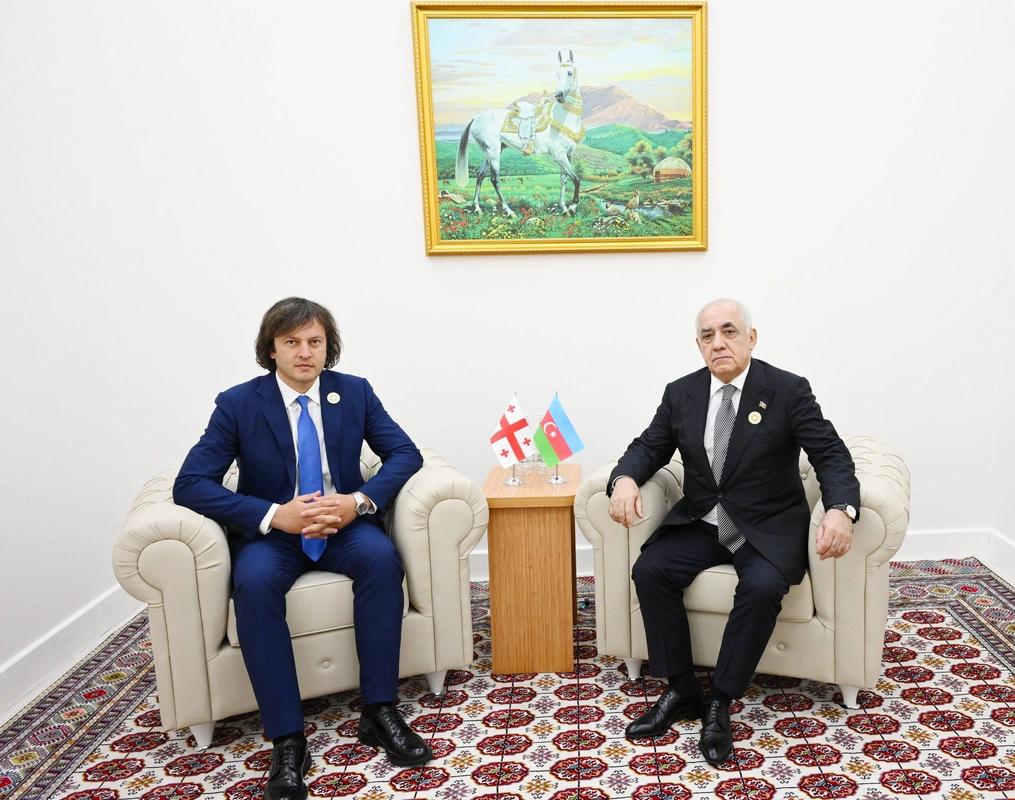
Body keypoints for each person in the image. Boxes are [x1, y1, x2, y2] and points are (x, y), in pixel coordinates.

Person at [174, 297, 430, 800]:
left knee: (382, 561)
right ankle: (288, 739)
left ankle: (379, 710)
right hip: (275, 534)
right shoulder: (238, 404)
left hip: (343, 527)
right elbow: (190, 483)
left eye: (315, 341)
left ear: (327, 347)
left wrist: (357, 502)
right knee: (253, 584)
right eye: (291, 342)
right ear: (271, 349)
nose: (304, 352)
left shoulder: (354, 392)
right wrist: (273, 514)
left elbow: (405, 453)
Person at [608, 298, 859, 765]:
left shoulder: (786, 390)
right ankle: (682, 689)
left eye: (729, 331)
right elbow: (648, 447)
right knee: (651, 570)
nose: (718, 343)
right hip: (705, 521)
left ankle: (720, 700)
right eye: (708, 336)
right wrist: (623, 478)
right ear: (698, 345)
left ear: (751, 338)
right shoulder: (681, 393)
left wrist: (841, 509)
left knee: (762, 587)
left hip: (766, 526)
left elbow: (830, 454)